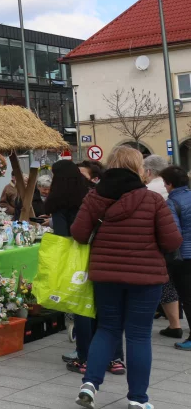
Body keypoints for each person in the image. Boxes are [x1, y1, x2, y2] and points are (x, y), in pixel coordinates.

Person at [71, 145, 181, 409]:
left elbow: (78, 233)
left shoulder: (94, 198)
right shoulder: (153, 200)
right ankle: (138, 399)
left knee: (107, 329)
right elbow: (172, 240)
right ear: (138, 169)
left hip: (106, 276)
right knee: (139, 336)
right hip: (146, 278)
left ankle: (90, 384)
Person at [44, 160, 124, 374]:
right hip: (102, 255)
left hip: (78, 260)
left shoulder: (59, 200)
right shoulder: (93, 193)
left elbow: (63, 236)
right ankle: (115, 358)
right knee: (107, 309)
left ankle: (85, 357)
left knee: (82, 308)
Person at [141, 154, 182, 339]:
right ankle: (175, 323)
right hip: (179, 243)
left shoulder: (148, 190)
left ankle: (174, 324)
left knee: (164, 284)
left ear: (148, 171)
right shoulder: (176, 189)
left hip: (158, 244)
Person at [160, 166, 191, 350]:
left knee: (187, 296)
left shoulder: (172, 202)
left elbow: (174, 234)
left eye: (165, 183)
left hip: (184, 256)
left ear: (170, 184)